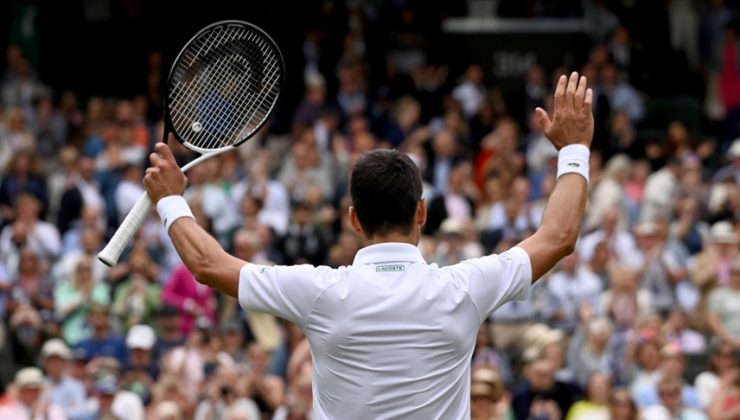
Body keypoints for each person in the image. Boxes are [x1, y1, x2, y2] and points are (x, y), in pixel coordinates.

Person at [141, 72, 594, 418]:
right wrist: (573, 149)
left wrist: (171, 201)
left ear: (354, 219)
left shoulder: (320, 292)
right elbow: (558, 237)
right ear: (421, 212)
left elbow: (206, 263)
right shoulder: (464, 288)